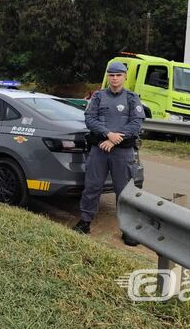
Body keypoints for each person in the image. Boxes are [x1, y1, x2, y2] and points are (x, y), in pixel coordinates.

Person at [73, 61, 145, 246]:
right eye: (111, 75)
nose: (115, 78)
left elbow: (136, 123)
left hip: (122, 152)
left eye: (118, 75)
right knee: (92, 186)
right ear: (108, 77)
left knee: (124, 192)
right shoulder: (98, 96)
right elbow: (89, 119)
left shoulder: (132, 98)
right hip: (99, 150)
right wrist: (108, 134)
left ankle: (128, 230)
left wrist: (114, 139)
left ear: (124, 77)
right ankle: (85, 222)